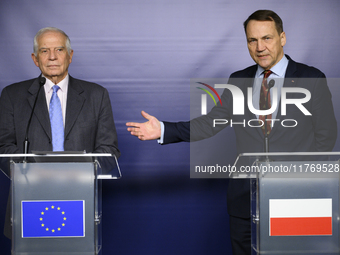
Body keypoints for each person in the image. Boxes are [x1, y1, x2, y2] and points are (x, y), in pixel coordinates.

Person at [126, 10, 337, 255]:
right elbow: (210, 123)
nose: (260, 47)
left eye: (267, 38)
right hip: (245, 200)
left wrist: (300, 181)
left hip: (295, 199)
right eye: (252, 40)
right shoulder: (238, 80)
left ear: (282, 38)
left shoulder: (311, 78)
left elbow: (326, 137)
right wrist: (164, 129)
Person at [0, 27, 120, 239]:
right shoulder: (12, 95)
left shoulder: (96, 95)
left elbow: (109, 150)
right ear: (35, 59)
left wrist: (77, 176)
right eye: (45, 51)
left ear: (70, 55)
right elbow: (3, 146)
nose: (53, 57)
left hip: (80, 202)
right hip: (28, 201)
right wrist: (37, 175)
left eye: (60, 49)